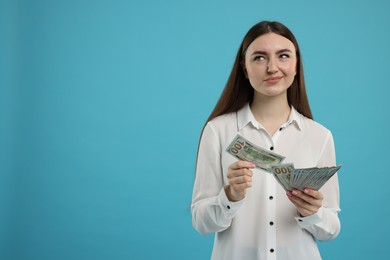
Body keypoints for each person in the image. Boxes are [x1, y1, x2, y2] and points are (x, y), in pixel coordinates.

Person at [191, 21, 341, 260]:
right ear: (244, 67)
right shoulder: (217, 130)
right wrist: (230, 196)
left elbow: (331, 230)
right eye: (259, 58)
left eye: (283, 56)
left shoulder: (320, 136)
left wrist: (313, 213)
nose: (272, 68)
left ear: (296, 64)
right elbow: (202, 223)